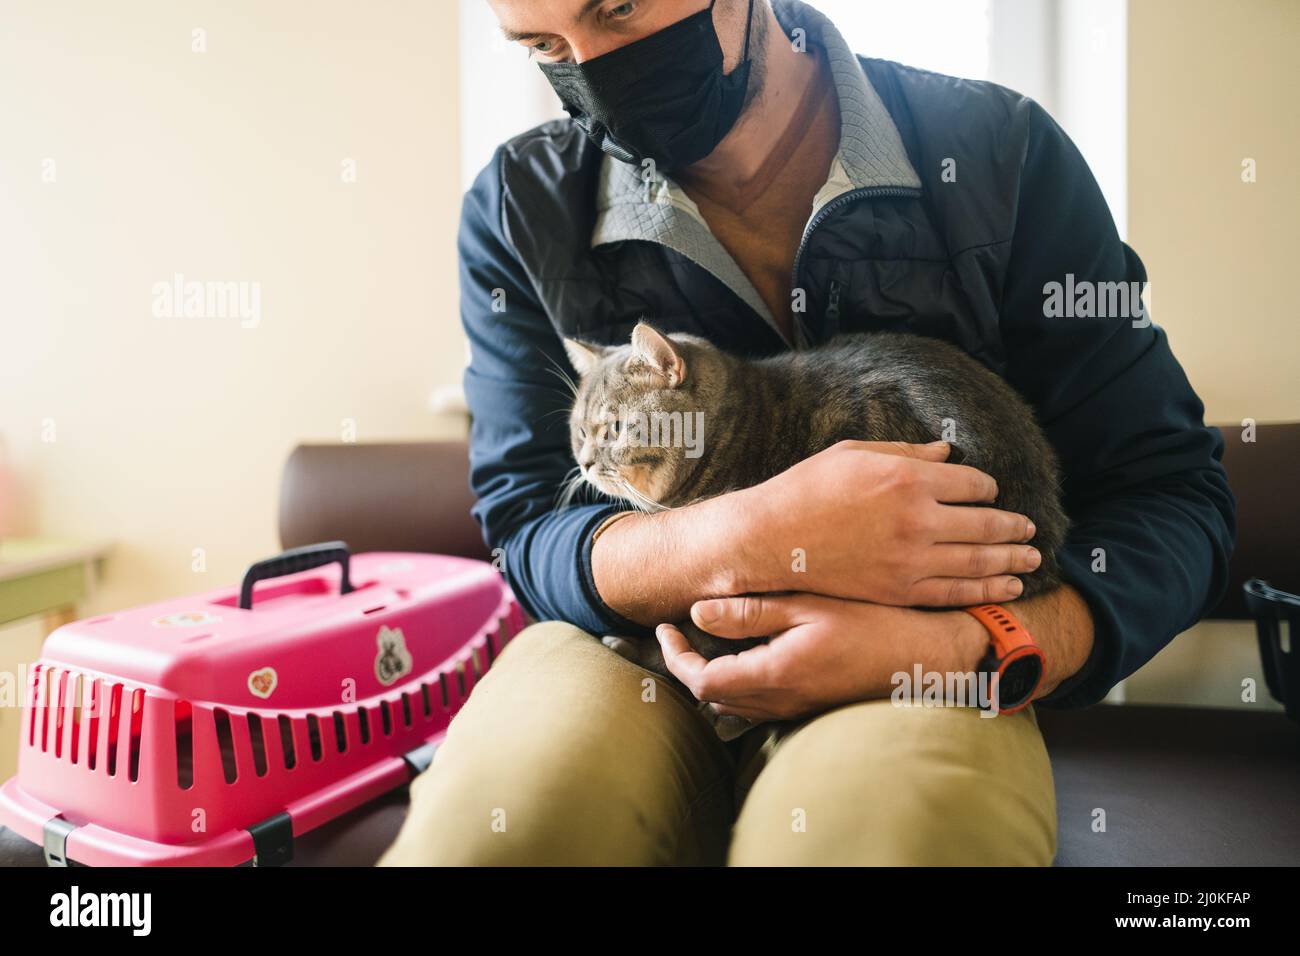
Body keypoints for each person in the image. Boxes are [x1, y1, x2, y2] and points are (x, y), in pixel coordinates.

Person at [378, 0, 1234, 866]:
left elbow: (1175, 499)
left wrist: (964, 648)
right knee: (498, 838)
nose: (591, 69)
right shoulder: (518, 208)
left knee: (887, 839)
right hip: (627, 647)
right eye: (543, 45)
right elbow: (525, 525)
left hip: (924, 650)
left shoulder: (1002, 154)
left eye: (621, 9)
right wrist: (744, 540)